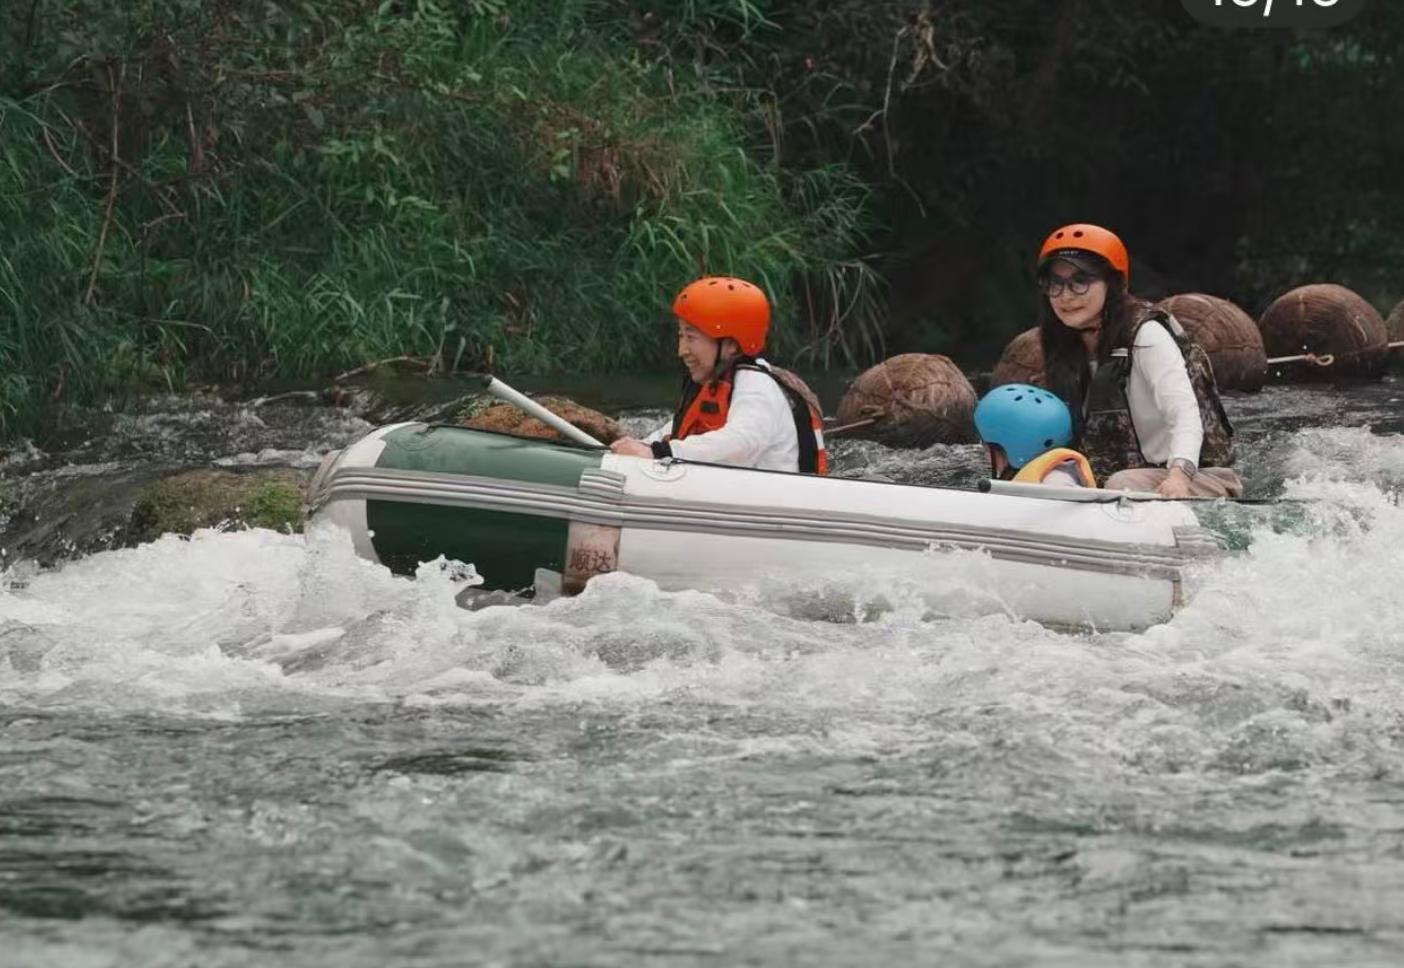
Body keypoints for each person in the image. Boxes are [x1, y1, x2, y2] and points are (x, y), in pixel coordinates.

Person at [1035, 224, 1242, 498]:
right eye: (1055, 283)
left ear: (1112, 284)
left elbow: (1185, 413)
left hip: (1194, 477)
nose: (1065, 295)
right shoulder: (1061, 343)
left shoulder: (1147, 334)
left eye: (1080, 281)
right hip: (1120, 479)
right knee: (1048, 478)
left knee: (1121, 483)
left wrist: (1179, 476)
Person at [610, 276, 827, 473]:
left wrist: (661, 452)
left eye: (691, 338)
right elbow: (674, 432)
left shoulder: (757, 385)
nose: (682, 350)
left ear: (731, 346)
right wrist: (641, 447)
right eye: (681, 336)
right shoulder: (715, 383)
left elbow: (740, 444)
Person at [975, 383, 1096, 487]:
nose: (983, 454)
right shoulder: (1054, 478)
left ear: (1016, 449)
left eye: (985, 446)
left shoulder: (1053, 488)